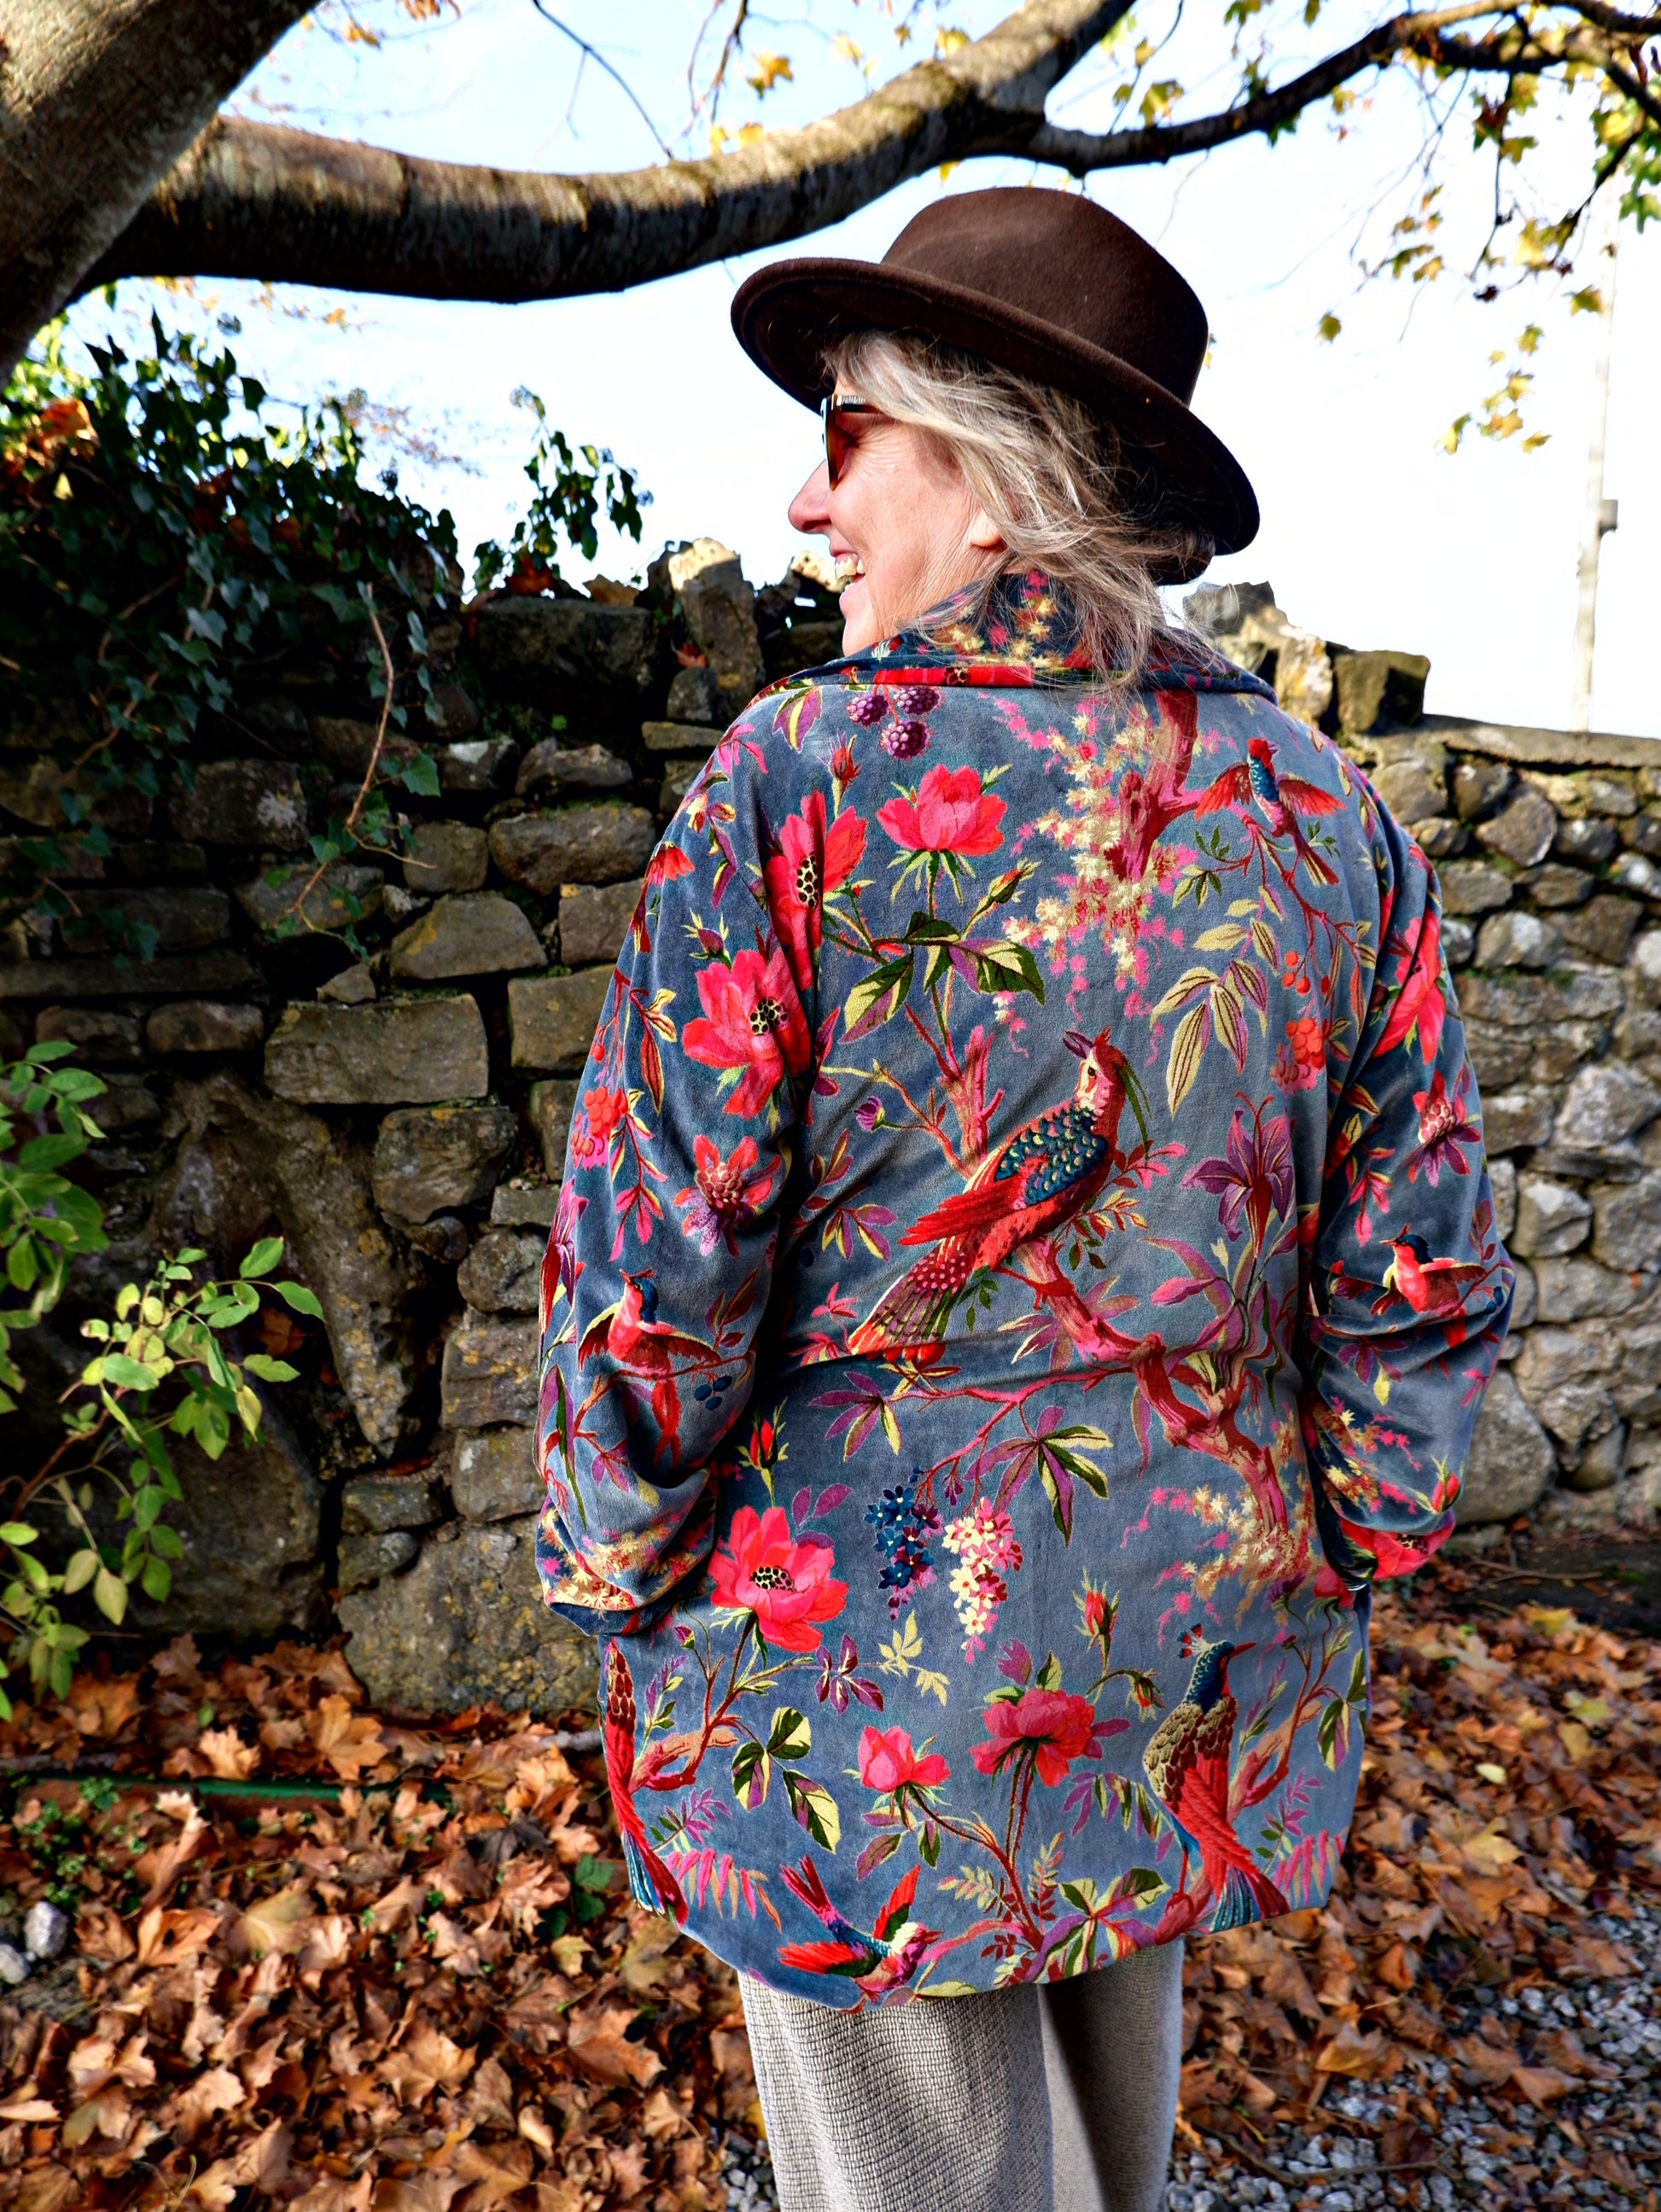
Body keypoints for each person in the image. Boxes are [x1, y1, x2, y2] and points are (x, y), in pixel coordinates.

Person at [533, 188, 1512, 2212]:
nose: (811, 507)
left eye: (844, 435)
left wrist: (619, 1561)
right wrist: (1332, 1551)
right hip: (1182, 1654)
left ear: (982, 482)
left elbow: (657, 1273)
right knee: (1097, 2167)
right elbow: (1419, 1282)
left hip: (858, 1657)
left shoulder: (798, 780)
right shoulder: (1334, 824)